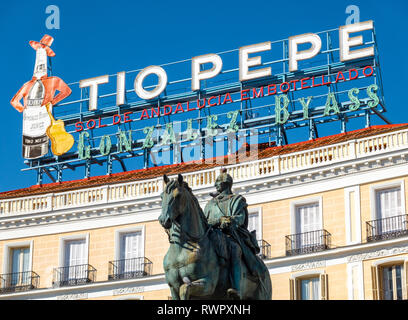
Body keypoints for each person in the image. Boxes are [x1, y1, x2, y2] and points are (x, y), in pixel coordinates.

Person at [204, 168, 262, 300]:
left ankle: (236, 288)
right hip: (212, 235)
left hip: (230, 234)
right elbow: (204, 221)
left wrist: (230, 221)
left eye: (218, 183)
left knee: (234, 250)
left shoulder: (237, 200)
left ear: (226, 184)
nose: (215, 185)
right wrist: (218, 221)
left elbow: (240, 218)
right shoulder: (210, 204)